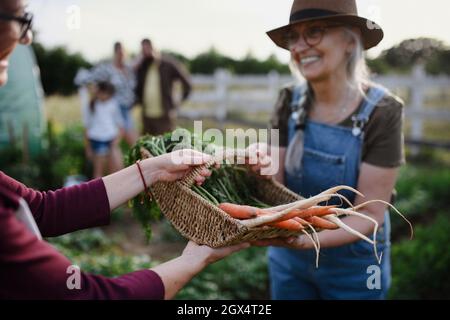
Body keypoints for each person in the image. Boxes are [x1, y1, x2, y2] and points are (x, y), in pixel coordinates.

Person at [0, 0, 248, 299]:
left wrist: (154, 168)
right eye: (20, 18)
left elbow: (42, 210)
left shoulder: (157, 66)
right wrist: (193, 260)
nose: (27, 37)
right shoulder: (120, 71)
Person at [254, 0, 405, 299]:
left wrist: (301, 239)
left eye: (315, 32)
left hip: (356, 265)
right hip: (289, 261)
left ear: (351, 41)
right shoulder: (289, 99)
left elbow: (371, 213)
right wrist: (256, 164)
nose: (299, 47)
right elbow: (273, 184)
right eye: (293, 37)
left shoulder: (382, 110)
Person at [77, 42, 138, 146]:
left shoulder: (128, 69)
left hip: (128, 109)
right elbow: (85, 78)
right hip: (116, 109)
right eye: (119, 53)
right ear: (114, 53)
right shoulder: (107, 69)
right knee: (132, 142)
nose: (121, 56)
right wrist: (96, 93)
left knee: (125, 142)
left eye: (123, 53)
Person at [135, 38, 192, 135]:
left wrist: (178, 102)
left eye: (148, 48)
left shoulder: (168, 65)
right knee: (147, 147)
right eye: (143, 50)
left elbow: (187, 83)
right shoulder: (143, 67)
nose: (146, 52)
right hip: (147, 117)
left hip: (164, 116)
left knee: (165, 147)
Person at [83, 81, 124, 178]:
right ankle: (97, 192)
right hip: (97, 140)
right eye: (104, 93)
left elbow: (120, 125)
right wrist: (87, 147)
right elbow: (86, 128)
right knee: (99, 171)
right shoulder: (91, 105)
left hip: (111, 139)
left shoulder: (113, 104)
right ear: (99, 92)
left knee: (117, 168)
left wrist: (117, 140)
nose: (106, 96)